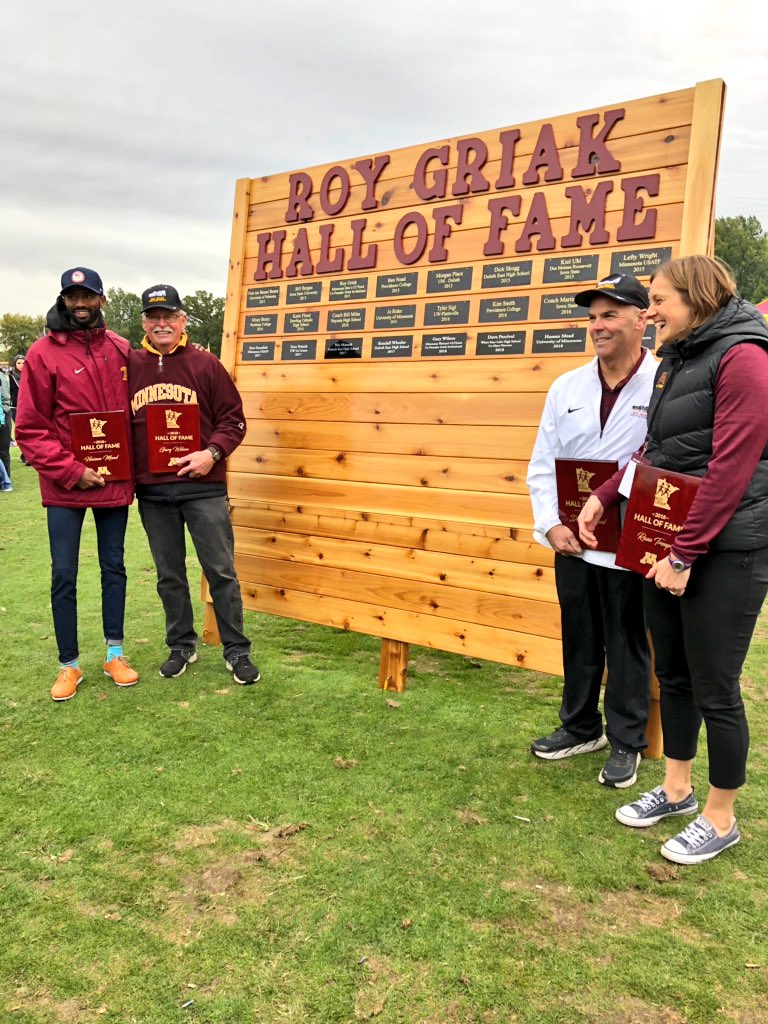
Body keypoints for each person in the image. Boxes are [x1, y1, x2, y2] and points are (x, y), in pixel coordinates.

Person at [579, 255, 768, 864]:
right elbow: (655, 451)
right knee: (675, 676)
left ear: (700, 297)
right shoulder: (677, 361)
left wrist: (684, 554)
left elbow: (731, 468)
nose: (651, 311)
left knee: (717, 686)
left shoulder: (746, 359)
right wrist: (605, 497)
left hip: (726, 552)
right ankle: (677, 788)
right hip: (666, 546)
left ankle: (720, 817)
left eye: (660, 300)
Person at [527, 274, 655, 787]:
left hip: (632, 539)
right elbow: (542, 463)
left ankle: (626, 741)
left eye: (610, 314)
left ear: (641, 319)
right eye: (592, 316)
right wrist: (551, 525)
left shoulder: (663, 382)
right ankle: (580, 726)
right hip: (574, 541)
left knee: (627, 642)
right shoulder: (567, 386)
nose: (597, 326)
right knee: (579, 637)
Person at [15, 268, 139, 700]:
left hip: (114, 482)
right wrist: (71, 470)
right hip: (66, 486)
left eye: (88, 296)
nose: (80, 304)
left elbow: (154, 392)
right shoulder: (42, 353)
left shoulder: (122, 349)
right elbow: (30, 428)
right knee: (64, 574)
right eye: (73, 297)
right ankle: (69, 665)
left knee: (114, 569)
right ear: (64, 300)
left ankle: (115, 653)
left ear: (102, 300)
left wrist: (189, 354)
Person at [129, 284, 260, 685]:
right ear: (144, 323)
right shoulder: (129, 365)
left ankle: (236, 649)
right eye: (154, 317)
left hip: (204, 489)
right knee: (169, 574)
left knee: (220, 570)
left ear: (183, 320)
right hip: (153, 492)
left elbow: (233, 420)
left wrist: (212, 454)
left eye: (169, 316)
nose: (162, 323)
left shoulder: (206, 364)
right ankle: (180, 645)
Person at [9, 354, 27, 462]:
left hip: (28, 406)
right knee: (21, 430)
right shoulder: (10, 376)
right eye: (18, 363)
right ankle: (24, 454)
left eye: (23, 363)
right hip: (15, 407)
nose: (21, 365)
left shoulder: (30, 375)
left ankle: (25, 454)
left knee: (29, 430)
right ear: (15, 364)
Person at [0, 367, 12, 488]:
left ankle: (6, 481)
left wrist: (3, 412)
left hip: (3, 414)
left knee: (3, 450)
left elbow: (5, 398)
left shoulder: (1, 376)